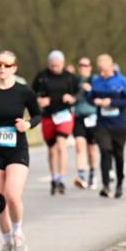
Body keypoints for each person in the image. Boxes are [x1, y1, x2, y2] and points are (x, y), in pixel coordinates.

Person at [0, 51, 41, 251]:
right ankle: (6, 240)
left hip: (17, 148)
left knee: (12, 195)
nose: (2, 69)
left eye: (7, 65)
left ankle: (17, 232)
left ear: (14, 68)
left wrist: (27, 124)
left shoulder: (24, 91)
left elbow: (38, 116)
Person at [32, 51, 79, 195]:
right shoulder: (42, 76)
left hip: (64, 115)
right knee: (52, 150)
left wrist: (72, 98)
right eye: (52, 66)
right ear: (48, 64)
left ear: (63, 64)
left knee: (61, 146)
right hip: (48, 116)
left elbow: (79, 94)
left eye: (57, 66)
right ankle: (54, 177)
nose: (55, 68)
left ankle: (62, 179)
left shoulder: (70, 77)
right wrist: (40, 101)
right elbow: (31, 94)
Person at [89, 54, 126, 199]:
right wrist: (95, 101)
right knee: (104, 151)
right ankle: (105, 186)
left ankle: (120, 184)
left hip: (119, 125)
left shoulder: (122, 81)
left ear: (111, 67)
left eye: (104, 70)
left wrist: (112, 102)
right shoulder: (96, 81)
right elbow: (90, 97)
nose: (102, 73)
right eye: (100, 70)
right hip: (102, 124)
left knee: (118, 154)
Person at [72, 57, 99, 190]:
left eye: (86, 65)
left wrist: (91, 90)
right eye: (81, 65)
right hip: (78, 117)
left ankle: (92, 175)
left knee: (92, 149)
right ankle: (81, 176)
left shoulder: (94, 80)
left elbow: (100, 94)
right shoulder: (75, 81)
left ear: (90, 67)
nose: (83, 67)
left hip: (92, 117)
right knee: (79, 146)